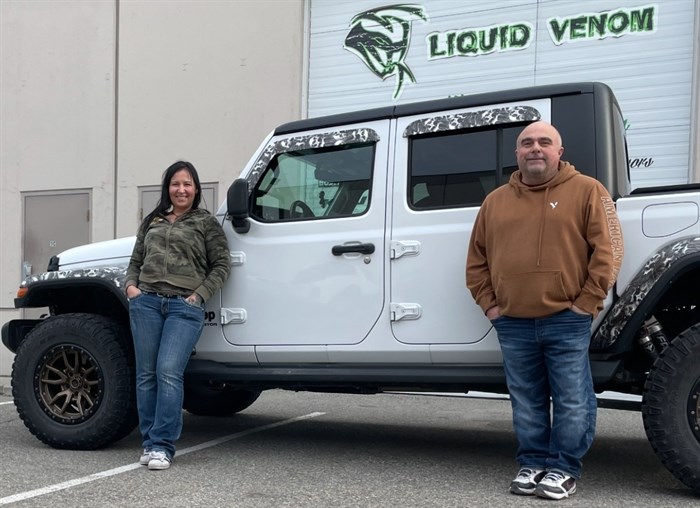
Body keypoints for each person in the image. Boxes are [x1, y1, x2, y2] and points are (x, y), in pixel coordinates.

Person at [466, 121, 623, 500]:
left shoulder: (588, 191)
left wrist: (584, 304)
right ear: (516, 153)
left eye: (544, 142)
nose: (535, 148)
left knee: (572, 398)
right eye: (526, 143)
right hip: (512, 323)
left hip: (566, 320)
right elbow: (476, 261)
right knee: (526, 400)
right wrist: (491, 306)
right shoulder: (495, 201)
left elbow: (610, 250)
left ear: (559, 151)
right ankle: (533, 462)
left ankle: (564, 468)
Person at [125, 161, 231, 470]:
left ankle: (162, 445)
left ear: (196, 189)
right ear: (167, 188)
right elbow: (136, 259)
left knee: (168, 371)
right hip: (145, 303)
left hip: (183, 307)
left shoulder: (206, 223)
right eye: (175, 184)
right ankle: (148, 442)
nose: (181, 189)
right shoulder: (153, 221)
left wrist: (198, 295)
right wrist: (131, 286)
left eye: (187, 184)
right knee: (146, 375)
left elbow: (222, 264)